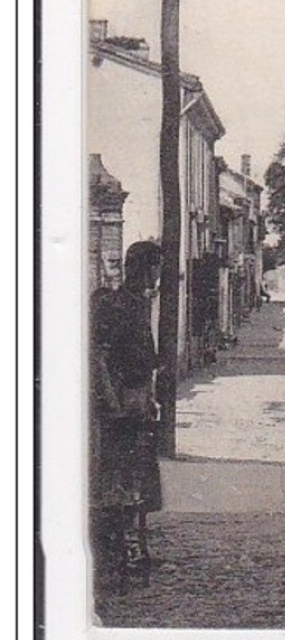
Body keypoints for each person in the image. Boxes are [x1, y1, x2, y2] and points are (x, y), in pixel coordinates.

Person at [89, 240, 164, 581]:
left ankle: (135, 545)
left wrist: (148, 397)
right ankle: (121, 549)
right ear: (144, 268)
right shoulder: (121, 305)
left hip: (137, 401)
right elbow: (103, 359)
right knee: (119, 479)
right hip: (121, 402)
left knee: (139, 477)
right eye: (155, 266)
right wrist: (115, 401)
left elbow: (145, 361)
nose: (158, 273)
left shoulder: (139, 303)